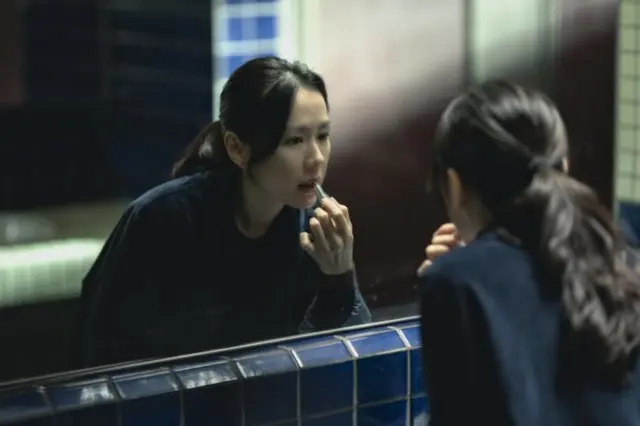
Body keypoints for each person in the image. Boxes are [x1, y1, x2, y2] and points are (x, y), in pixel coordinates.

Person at [72, 56, 371, 368]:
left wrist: (339, 276)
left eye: (323, 136)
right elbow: (100, 354)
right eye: (294, 140)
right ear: (237, 149)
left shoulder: (313, 229)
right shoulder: (163, 220)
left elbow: (354, 363)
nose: (317, 158)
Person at [417, 81, 640, 425]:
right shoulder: (620, 263)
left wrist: (462, 269)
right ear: (563, 167)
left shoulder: (456, 283)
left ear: (455, 186)